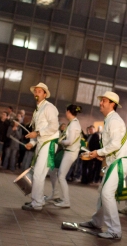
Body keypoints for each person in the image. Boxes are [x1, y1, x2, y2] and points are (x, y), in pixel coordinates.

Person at [79, 91, 127, 239]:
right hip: (115, 161)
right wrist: (99, 154)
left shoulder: (114, 120)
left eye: (104, 101)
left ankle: (115, 231)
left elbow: (115, 144)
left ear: (112, 104)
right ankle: (97, 222)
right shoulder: (110, 119)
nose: (101, 103)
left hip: (119, 161)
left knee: (107, 193)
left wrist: (98, 153)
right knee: (103, 191)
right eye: (101, 100)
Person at [22, 82, 59, 211]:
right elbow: (39, 129)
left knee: (38, 173)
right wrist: (32, 143)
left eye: (39, 91)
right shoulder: (38, 109)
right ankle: (37, 201)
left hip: (48, 143)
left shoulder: (49, 107)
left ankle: (37, 203)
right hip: (43, 142)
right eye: (35, 91)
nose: (36, 93)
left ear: (45, 94)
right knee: (40, 174)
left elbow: (54, 126)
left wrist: (37, 134)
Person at [53, 104, 83, 208]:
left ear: (69, 112)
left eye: (66, 111)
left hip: (71, 152)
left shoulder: (73, 125)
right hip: (70, 152)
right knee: (60, 175)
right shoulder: (74, 123)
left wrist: (60, 142)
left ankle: (66, 201)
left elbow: (70, 141)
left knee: (61, 176)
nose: (65, 113)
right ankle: (64, 199)